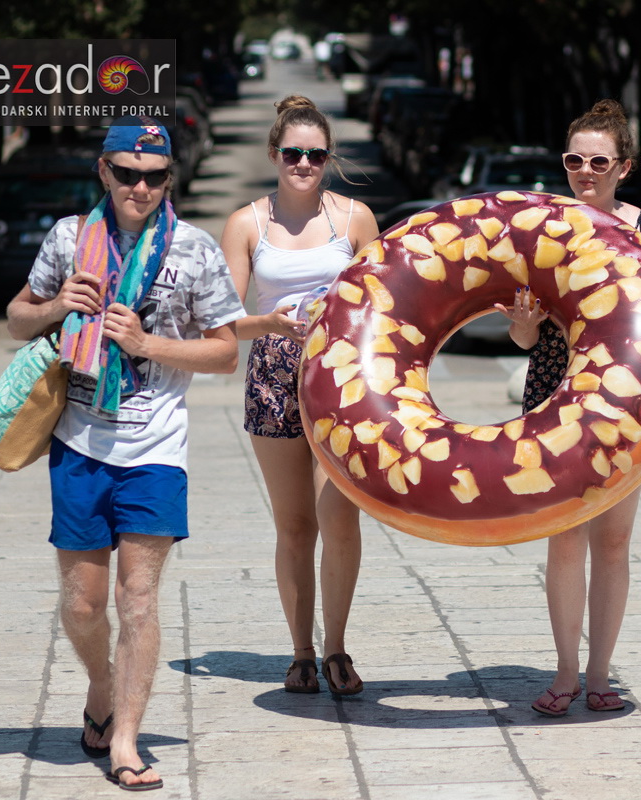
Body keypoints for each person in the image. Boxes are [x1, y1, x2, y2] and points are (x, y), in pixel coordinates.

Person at [6, 116, 245, 791]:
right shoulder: (68, 239)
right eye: (127, 174)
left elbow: (226, 351)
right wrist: (56, 305)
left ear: (170, 179)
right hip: (79, 442)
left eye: (155, 177)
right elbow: (15, 317)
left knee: (138, 599)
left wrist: (148, 347)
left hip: (156, 445)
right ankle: (102, 688)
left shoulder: (194, 250)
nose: (140, 187)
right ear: (104, 173)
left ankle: (128, 742)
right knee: (83, 605)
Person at [495, 99, 641, 717]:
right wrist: (525, 323)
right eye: (574, 159)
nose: (585, 171)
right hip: (554, 384)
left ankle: (601, 673)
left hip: (628, 399)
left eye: (599, 161)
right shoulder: (544, 226)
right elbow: (525, 338)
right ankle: (567, 672)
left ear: (623, 167)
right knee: (564, 538)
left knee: (614, 540)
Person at [220, 95, 379, 698]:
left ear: (327, 157)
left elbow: (386, 304)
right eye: (294, 153)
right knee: (294, 525)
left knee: (340, 515)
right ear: (274, 154)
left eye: (315, 154)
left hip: (342, 375)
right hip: (274, 371)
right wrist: (269, 324)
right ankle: (302, 652)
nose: (304, 163)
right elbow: (224, 318)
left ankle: (337, 645)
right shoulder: (246, 223)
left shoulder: (355, 219)